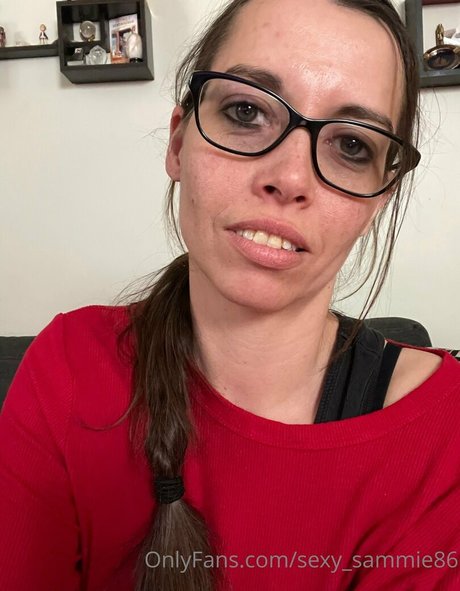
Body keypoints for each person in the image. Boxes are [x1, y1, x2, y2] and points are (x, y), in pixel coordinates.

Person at [1, 0, 459, 590]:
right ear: (177, 144)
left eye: (352, 146)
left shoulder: (443, 431)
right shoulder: (68, 366)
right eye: (247, 111)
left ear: (378, 201)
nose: (289, 178)